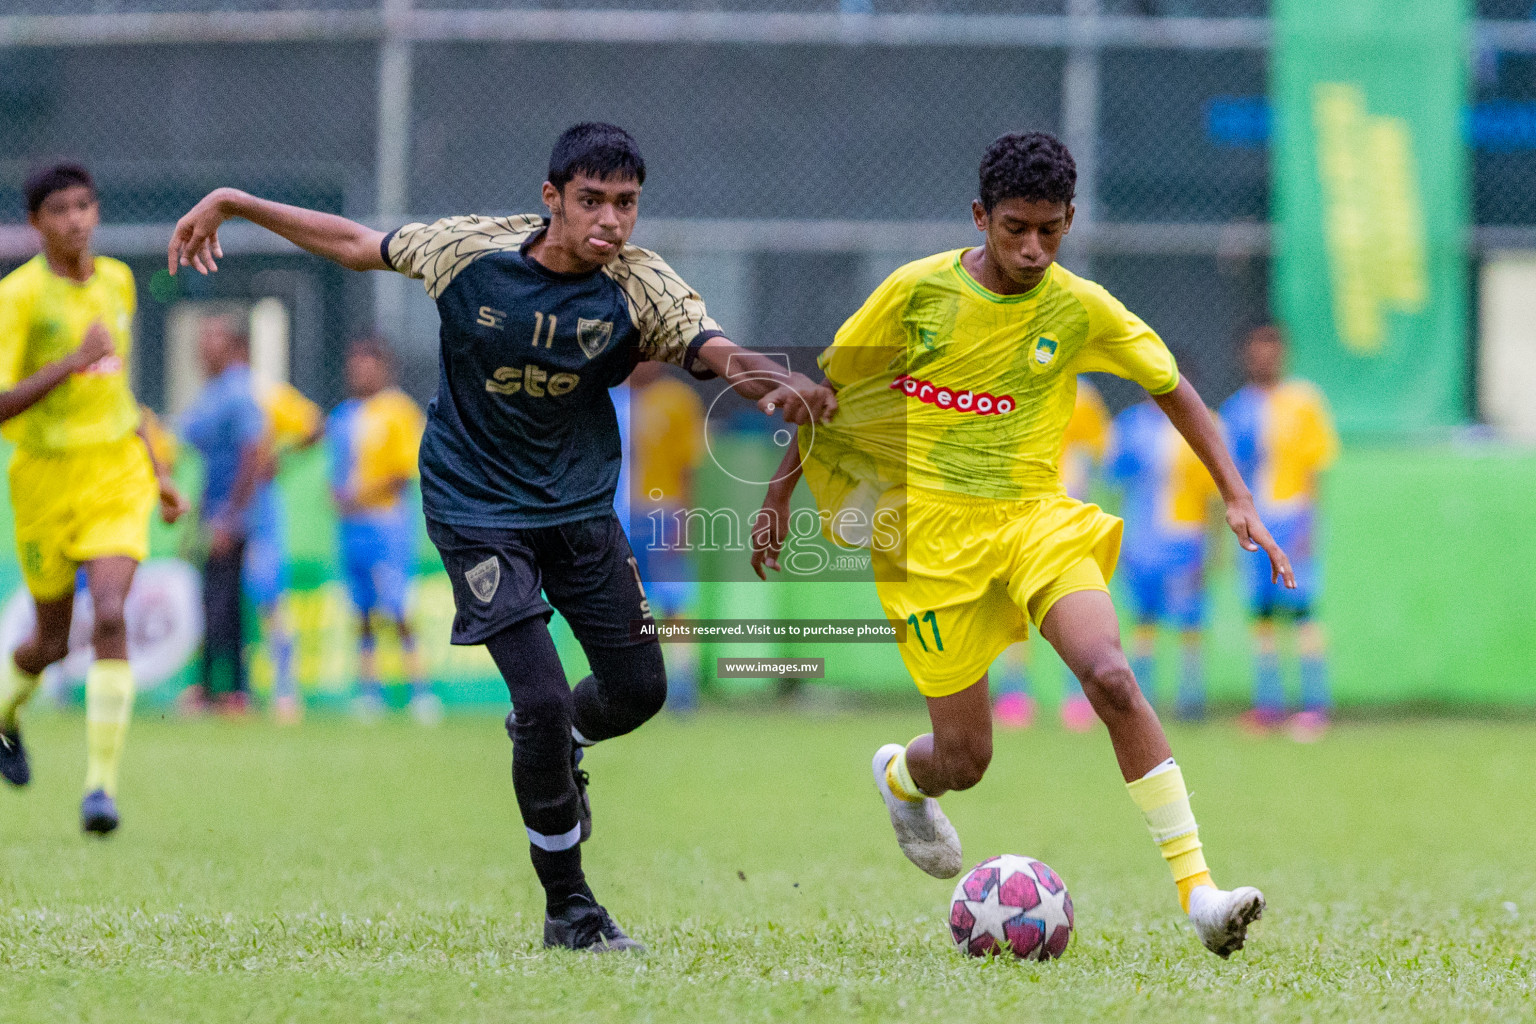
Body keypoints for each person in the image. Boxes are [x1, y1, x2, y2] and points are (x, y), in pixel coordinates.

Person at [168, 122, 836, 952]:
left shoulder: (639, 285)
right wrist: (235, 203)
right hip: (476, 508)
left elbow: (716, 348)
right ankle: (571, 910)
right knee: (545, 698)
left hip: (580, 512)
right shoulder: (468, 252)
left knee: (638, 691)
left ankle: (556, 746)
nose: (611, 222)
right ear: (552, 199)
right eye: (592, 201)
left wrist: (778, 383)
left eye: (626, 204)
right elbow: (351, 242)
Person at [751, 132, 1289, 958]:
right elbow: (834, 397)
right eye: (1015, 229)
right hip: (927, 546)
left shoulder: (1078, 306)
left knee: (1110, 674)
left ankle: (1201, 896)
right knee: (964, 759)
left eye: (1050, 229)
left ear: (1069, 219)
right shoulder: (915, 293)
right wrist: (780, 494)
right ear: (980, 218)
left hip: (1037, 521)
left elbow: (1172, 385)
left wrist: (1238, 495)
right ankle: (902, 776)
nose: (1033, 248)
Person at [0, 163, 188, 833]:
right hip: (46, 478)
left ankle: (99, 790)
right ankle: (4, 716)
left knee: (110, 613)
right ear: (36, 223)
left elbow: (119, 391)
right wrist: (68, 363)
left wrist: (157, 467)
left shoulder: (118, 281)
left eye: (85, 206)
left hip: (115, 472)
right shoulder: (19, 297)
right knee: (48, 642)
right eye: (60, 210)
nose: (76, 219)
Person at [1220, 326, 1339, 742]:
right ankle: (1268, 707)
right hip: (1256, 524)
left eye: (1271, 349)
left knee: (1303, 612)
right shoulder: (1236, 410)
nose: (1264, 357)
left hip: (1292, 521)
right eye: (1256, 350)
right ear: (1245, 356)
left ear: (1284, 353)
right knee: (1262, 617)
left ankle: (1314, 706)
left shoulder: (1304, 402)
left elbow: (1314, 470)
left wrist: (1309, 525)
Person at [326, 337, 438, 724]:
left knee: (398, 608)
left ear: (383, 367)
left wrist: (359, 495)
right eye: (353, 364)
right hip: (350, 528)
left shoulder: (399, 411)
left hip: (385, 526)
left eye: (366, 363)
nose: (358, 371)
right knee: (362, 611)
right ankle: (369, 691)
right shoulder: (341, 416)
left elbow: (403, 472)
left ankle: (419, 690)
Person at [991, 377, 1111, 731]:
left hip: (1064, 514)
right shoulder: (1006, 384)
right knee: (1013, 603)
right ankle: (1015, 696)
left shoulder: (1084, 395)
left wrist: (1078, 489)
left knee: (1071, 605)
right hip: (1017, 512)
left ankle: (1076, 697)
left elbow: (1099, 450)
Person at [1105, 395, 1219, 721]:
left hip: (1186, 544)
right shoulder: (1130, 425)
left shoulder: (1202, 423)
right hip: (1141, 545)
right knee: (1144, 619)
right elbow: (1115, 482)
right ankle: (1142, 700)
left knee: (1190, 621)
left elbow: (1213, 494)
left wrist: (1212, 549)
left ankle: (1191, 701)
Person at [178, 316, 269, 714]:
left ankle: (232, 693)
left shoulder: (238, 391)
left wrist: (229, 518)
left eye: (212, 339)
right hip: (211, 517)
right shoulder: (212, 392)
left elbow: (254, 455)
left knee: (226, 606)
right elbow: (212, 464)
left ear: (233, 346)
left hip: (231, 521)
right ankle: (211, 691)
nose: (203, 347)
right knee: (210, 603)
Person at [627, 359, 706, 712]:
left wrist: (683, 521)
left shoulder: (678, 400)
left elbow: (687, 467)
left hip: (661, 513)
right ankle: (630, 685)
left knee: (674, 603)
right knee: (624, 602)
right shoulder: (608, 398)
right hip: (615, 515)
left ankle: (683, 684)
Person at [252, 377, 324, 724]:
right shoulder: (216, 399)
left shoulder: (267, 397)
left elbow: (314, 426)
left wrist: (282, 457)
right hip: (226, 510)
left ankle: (284, 689)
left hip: (259, 509)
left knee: (270, 600)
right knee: (226, 602)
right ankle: (231, 691)